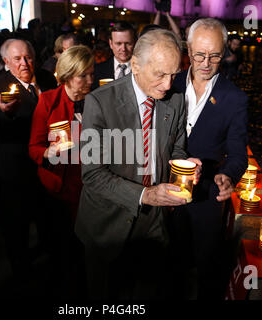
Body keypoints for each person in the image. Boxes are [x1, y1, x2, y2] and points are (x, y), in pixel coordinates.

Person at [75, 29, 201, 300]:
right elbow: (93, 174)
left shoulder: (176, 100)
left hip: (156, 223)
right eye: (160, 74)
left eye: (174, 75)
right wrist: (145, 194)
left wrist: (184, 164)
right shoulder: (99, 102)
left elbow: (176, 147)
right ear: (135, 66)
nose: (168, 85)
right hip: (107, 224)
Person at [171, 18, 248, 299]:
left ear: (225, 51)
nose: (206, 62)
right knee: (167, 267)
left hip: (206, 199)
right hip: (163, 192)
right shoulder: (169, 84)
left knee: (206, 271)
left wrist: (228, 175)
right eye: (199, 55)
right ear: (187, 50)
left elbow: (238, 154)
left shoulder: (235, 98)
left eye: (214, 55)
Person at [0, 38, 55, 296]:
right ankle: (22, 282)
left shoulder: (46, 78)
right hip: (17, 173)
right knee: (17, 231)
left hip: (50, 166)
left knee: (49, 224)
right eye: (17, 59)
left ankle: (53, 274)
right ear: (5, 62)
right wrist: (5, 113)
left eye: (28, 57)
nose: (24, 63)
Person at [29, 45, 94, 298]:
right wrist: (50, 153)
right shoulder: (48, 101)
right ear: (67, 75)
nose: (90, 80)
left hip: (89, 189)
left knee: (87, 250)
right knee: (62, 251)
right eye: (83, 76)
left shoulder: (96, 100)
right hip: (57, 189)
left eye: (91, 74)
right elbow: (34, 147)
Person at [91, 21, 136, 90]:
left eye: (128, 43)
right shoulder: (98, 70)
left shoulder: (144, 69)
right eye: (118, 44)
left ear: (135, 43)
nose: (123, 49)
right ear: (110, 43)